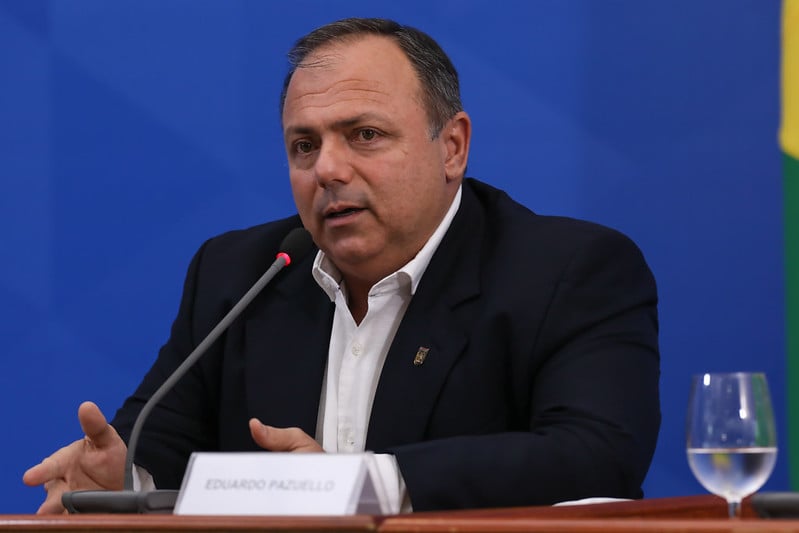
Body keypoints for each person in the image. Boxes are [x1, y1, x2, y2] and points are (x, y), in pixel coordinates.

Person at [23, 17, 660, 514]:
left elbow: (597, 455)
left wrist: (362, 483)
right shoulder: (240, 272)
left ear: (453, 147)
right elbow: (157, 441)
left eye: (364, 135)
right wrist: (123, 476)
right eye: (305, 145)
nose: (327, 169)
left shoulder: (566, 270)